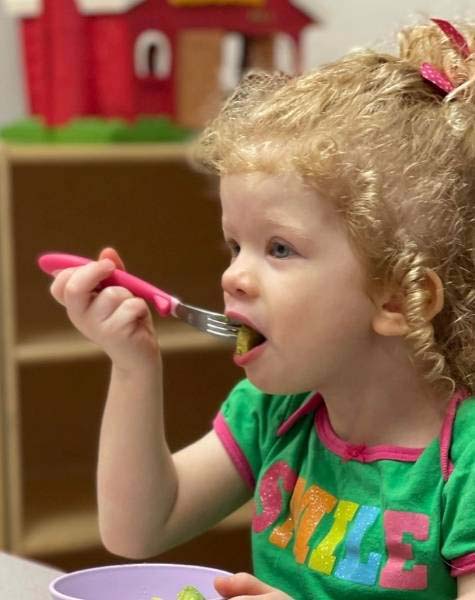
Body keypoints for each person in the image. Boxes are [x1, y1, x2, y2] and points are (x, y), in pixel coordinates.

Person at [49, 17, 475, 599]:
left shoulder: (463, 459)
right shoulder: (278, 408)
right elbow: (138, 528)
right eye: (235, 245)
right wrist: (132, 365)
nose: (233, 276)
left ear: (400, 297)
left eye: (280, 248)